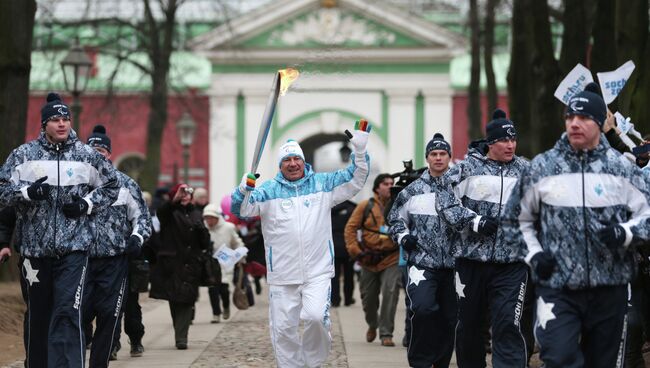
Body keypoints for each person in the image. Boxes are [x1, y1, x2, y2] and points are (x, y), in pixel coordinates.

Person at [502, 82, 650, 367]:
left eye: (583, 118)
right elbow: (515, 219)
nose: (575, 124)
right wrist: (534, 255)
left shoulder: (620, 169)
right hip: (558, 287)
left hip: (610, 286)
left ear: (599, 122)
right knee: (559, 358)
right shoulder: (543, 168)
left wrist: (626, 233)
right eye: (570, 117)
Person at [231, 122, 370, 368]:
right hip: (283, 274)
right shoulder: (268, 191)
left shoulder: (323, 185)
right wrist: (243, 191)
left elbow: (356, 179)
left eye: (296, 158)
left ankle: (312, 362)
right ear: (280, 165)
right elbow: (242, 210)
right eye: (287, 160)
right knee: (284, 329)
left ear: (303, 161)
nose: (293, 163)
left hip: (317, 270)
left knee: (316, 318)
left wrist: (359, 152)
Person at [0, 92, 120, 367]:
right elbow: (2, 191)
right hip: (34, 251)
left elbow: (113, 186)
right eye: (55, 119)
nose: (62, 123)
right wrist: (27, 192)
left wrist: (86, 204)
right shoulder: (23, 155)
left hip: (74, 250)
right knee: (39, 315)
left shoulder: (87, 155)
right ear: (44, 124)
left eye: (65, 118)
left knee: (68, 311)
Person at [437, 108, 530, 367]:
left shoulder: (526, 170)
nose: (510, 145)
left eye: (513, 139)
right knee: (469, 326)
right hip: (471, 262)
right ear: (491, 143)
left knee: (508, 324)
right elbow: (444, 202)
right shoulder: (466, 169)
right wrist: (474, 221)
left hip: (512, 263)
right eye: (503, 140)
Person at [82, 125, 152, 366]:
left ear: (109, 153)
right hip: (80, 259)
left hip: (115, 261)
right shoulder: (77, 184)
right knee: (79, 315)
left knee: (109, 315)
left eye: (101, 149)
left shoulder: (125, 184)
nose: (97, 154)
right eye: (92, 149)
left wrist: (137, 238)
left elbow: (142, 218)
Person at [387, 133, 456, 367]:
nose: (438, 158)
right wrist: (404, 237)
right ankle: (420, 361)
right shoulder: (413, 190)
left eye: (442, 154)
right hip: (422, 264)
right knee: (423, 310)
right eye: (433, 154)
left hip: (455, 267)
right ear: (427, 158)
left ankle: (441, 361)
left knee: (449, 319)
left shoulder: (459, 188)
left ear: (449, 156)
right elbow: (395, 220)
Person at [149, 183, 212, 350]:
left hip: (191, 263)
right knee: (175, 299)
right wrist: (174, 200)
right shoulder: (169, 212)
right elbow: (162, 212)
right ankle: (180, 331)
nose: (185, 196)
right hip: (172, 263)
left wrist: (201, 231)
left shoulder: (196, 213)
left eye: (187, 194)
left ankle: (181, 337)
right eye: (181, 194)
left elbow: (204, 242)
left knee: (186, 300)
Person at [344, 173, 400, 347]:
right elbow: (350, 229)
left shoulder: (399, 205)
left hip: (392, 257)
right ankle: (372, 324)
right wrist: (356, 252)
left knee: (390, 293)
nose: (390, 186)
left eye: (392, 183)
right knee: (368, 299)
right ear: (377, 187)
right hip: (368, 258)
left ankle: (386, 333)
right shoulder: (365, 206)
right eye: (385, 183)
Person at [203, 203, 244, 323]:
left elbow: (237, 242)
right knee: (212, 290)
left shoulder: (228, 227)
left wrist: (240, 254)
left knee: (224, 290)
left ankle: (226, 306)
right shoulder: (203, 229)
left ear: (217, 217)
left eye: (211, 218)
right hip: (210, 264)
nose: (209, 221)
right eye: (207, 218)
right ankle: (216, 314)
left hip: (225, 262)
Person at [330, 199, 357, 307]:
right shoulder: (352, 208)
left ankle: (335, 299)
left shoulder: (330, 207)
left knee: (334, 276)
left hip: (333, 245)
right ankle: (348, 298)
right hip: (348, 245)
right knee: (349, 275)